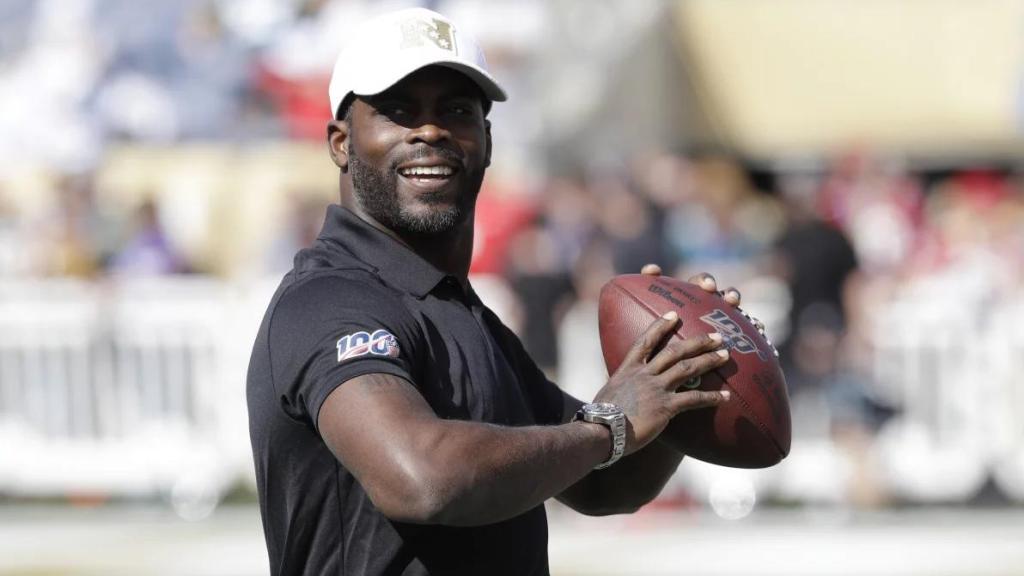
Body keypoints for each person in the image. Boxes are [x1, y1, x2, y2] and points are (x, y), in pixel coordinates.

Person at [247, 8, 742, 575]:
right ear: (341, 142)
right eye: (399, 111)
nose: (430, 131)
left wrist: (679, 377)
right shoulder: (330, 300)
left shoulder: (464, 314)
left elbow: (605, 485)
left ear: (486, 141)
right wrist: (609, 426)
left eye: (456, 111)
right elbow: (421, 480)